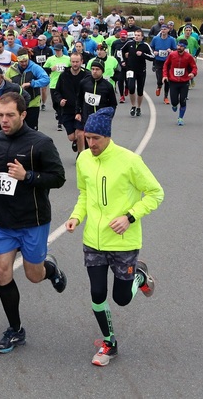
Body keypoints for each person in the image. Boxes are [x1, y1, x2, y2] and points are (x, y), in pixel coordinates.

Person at [65, 107, 164, 366]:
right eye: (88, 137)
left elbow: (155, 193)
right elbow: (84, 194)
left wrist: (129, 216)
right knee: (97, 294)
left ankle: (139, 275)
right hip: (93, 241)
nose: (91, 143)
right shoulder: (84, 159)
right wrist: (76, 216)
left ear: (108, 136)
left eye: (96, 138)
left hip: (123, 242)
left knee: (121, 298)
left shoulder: (129, 161)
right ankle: (110, 343)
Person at [0, 92, 67, 354]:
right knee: (2, 272)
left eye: (10, 115)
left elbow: (58, 177)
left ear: (23, 115)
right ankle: (15, 329)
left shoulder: (40, 143)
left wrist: (27, 175)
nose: (4, 120)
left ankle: (50, 270)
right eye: (0, 115)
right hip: (3, 220)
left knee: (33, 275)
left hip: (33, 220)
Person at [53, 52, 90, 154]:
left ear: (81, 62)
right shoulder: (64, 75)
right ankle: (76, 141)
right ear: (70, 62)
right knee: (72, 136)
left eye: (77, 62)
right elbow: (57, 91)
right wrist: (60, 100)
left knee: (80, 133)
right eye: (73, 62)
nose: (75, 64)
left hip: (81, 109)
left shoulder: (87, 75)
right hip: (67, 110)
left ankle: (81, 154)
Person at [5, 47, 49, 131]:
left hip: (32, 104)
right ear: (17, 60)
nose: (24, 63)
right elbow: (6, 83)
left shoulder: (34, 67)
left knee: (31, 130)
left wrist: (31, 83)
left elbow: (46, 79)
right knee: (17, 129)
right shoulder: (12, 69)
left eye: (26, 61)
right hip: (17, 104)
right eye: (21, 62)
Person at [162, 39, 198, 126]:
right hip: (173, 81)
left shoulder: (188, 57)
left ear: (184, 47)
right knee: (174, 101)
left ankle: (180, 118)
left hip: (184, 82)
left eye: (181, 46)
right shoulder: (172, 55)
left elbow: (194, 67)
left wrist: (193, 73)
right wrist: (165, 75)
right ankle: (174, 105)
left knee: (183, 100)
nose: (179, 47)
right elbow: (166, 65)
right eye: (178, 45)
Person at [123, 30, 154, 117]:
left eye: (138, 35)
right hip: (130, 69)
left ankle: (139, 107)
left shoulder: (145, 45)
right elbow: (121, 51)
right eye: (135, 35)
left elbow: (152, 57)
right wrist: (124, 60)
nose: (136, 37)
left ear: (142, 37)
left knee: (140, 91)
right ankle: (133, 106)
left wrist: (143, 54)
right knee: (131, 87)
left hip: (141, 71)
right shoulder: (129, 43)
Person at [150, 25, 177, 104]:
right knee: (160, 78)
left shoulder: (171, 39)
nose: (163, 31)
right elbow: (151, 47)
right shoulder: (155, 39)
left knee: (167, 80)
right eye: (162, 29)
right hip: (158, 61)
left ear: (168, 30)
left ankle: (165, 97)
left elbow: (175, 49)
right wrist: (154, 52)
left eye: (165, 29)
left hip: (168, 62)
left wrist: (171, 51)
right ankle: (159, 86)